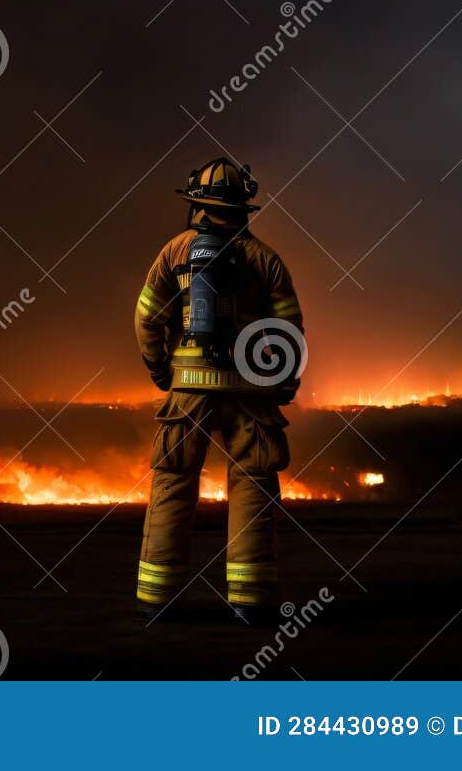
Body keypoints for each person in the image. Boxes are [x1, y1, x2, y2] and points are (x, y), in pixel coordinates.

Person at [134, 157, 305, 626]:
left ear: (196, 205)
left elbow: (147, 319)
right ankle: (249, 600)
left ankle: (158, 598)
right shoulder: (266, 259)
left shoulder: (173, 252)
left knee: (173, 482)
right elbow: (289, 327)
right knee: (252, 485)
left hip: (187, 390)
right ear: (244, 207)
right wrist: (284, 381)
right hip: (249, 393)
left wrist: (159, 370)